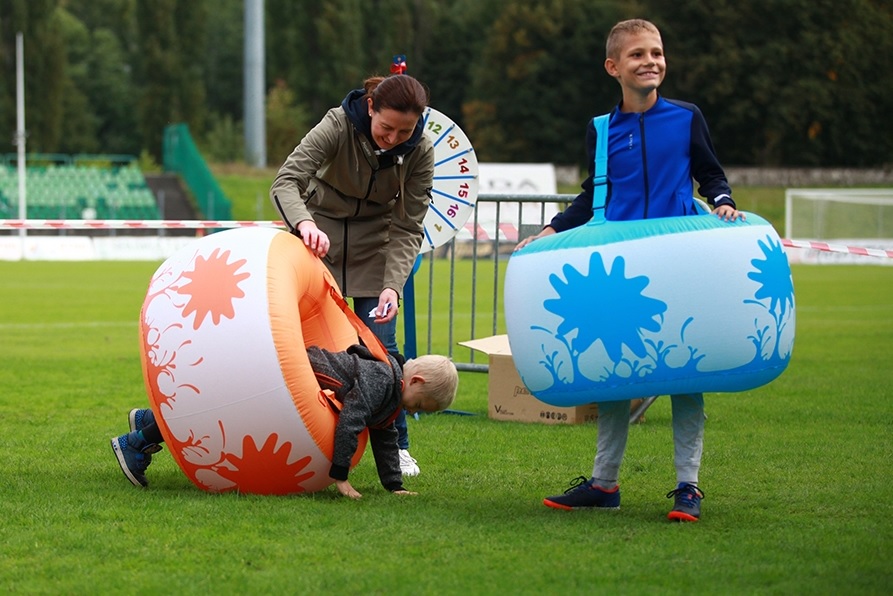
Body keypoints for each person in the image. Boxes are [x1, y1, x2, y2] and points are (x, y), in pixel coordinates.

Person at [515, 18, 745, 522]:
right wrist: (554, 230)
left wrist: (723, 201)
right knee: (612, 373)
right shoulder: (601, 130)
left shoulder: (687, 118)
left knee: (687, 373)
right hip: (617, 270)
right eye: (638, 54)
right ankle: (604, 484)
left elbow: (710, 174)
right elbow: (594, 196)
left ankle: (689, 486)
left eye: (657, 52)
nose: (651, 61)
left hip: (681, 262)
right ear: (613, 67)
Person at [269, 72, 434, 477]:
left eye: (405, 131)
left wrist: (393, 286)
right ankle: (285, 430)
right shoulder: (337, 124)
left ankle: (398, 450)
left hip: (373, 252)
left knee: (382, 351)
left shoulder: (421, 151)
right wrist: (304, 224)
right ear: (371, 107)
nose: (393, 138)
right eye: (385, 127)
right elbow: (286, 181)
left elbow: (409, 227)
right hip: (315, 244)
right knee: (292, 349)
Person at [110, 347, 459, 498]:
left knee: (217, 410)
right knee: (222, 413)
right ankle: (136, 442)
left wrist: (393, 485)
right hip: (291, 373)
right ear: (415, 383)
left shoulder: (390, 399)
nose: (415, 412)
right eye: (422, 407)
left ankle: (150, 420)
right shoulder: (382, 380)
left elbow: (385, 437)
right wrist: (340, 477)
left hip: (297, 383)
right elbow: (352, 418)